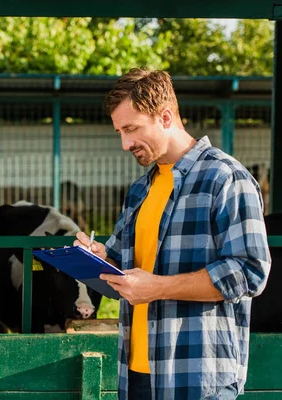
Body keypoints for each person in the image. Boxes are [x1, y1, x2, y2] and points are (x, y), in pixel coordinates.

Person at [74, 68, 271, 400]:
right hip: (135, 375)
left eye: (132, 129)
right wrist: (99, 259)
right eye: (120, 131)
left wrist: (159, 288)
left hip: (197, 379)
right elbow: (125, 275)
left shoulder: (225, 178)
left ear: (165, 116)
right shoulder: (139, 190)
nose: (125, 144)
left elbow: (250, 271)